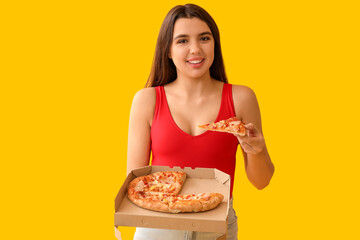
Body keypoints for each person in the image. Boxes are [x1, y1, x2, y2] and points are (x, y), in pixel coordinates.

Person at [126, 4, 274, 240]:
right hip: (157, 227)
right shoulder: (147, 100)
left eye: (204, 38)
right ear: (168, 50)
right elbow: (136, 183)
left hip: (216, 228)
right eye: (182, 41)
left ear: (214, 43)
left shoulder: (242, 98)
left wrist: (258, 150)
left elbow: (261, 181)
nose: (195, 49)